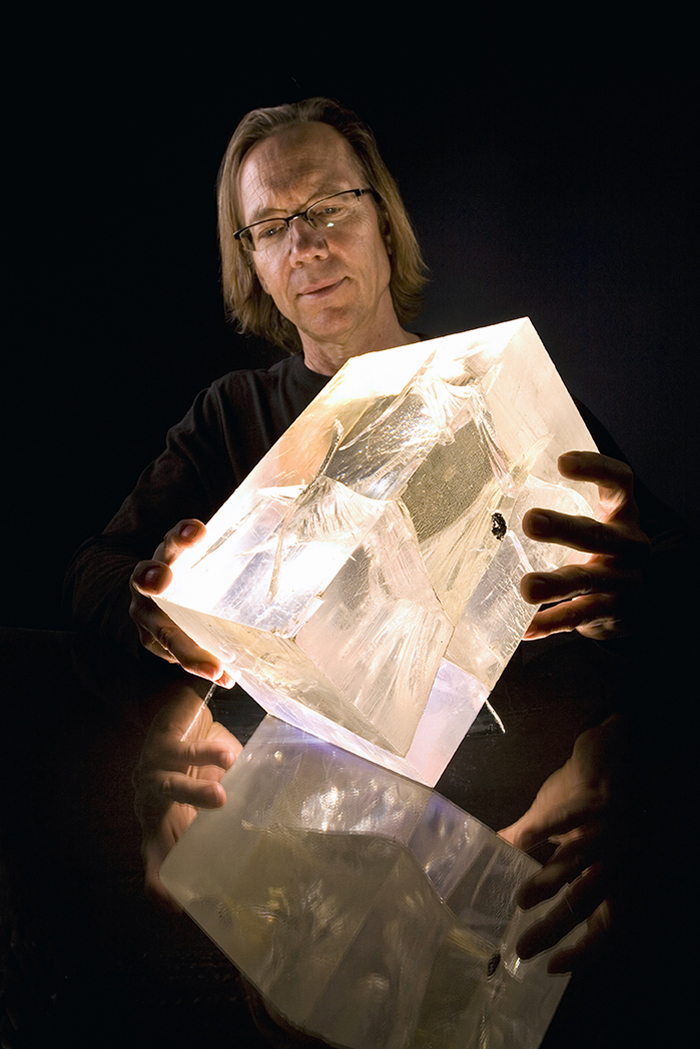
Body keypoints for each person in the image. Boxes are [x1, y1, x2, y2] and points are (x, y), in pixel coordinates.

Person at [65, 97, 674, 970]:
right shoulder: (233, 417)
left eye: (325, 209)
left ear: (382, 219)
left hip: (527, 814)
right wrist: (151, 612)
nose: (304, 246)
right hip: (309, 811)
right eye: (269, 226)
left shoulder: (496, 389)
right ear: (253, 263)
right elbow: (92, 569)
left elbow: (665, 562)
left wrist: (645, 607)